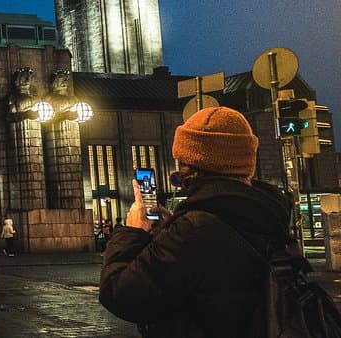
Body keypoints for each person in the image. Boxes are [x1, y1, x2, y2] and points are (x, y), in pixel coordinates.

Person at [99, 107, 291, 337]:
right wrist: (171, 229)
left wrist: (131, 232)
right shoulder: (271, 216)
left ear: (192, 164)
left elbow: (120, 293)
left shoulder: (193, 229)